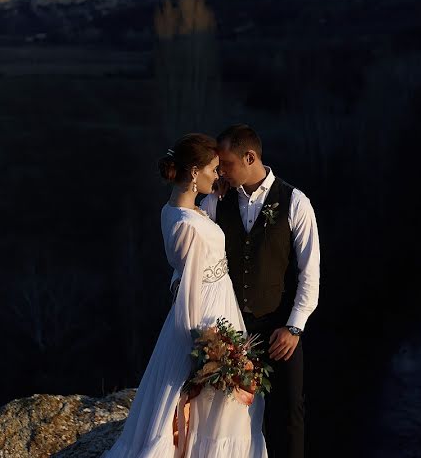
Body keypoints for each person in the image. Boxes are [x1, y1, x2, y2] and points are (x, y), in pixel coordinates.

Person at [103, 133, 268, 458]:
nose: (218, 175)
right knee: (217, 395)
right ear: (194, 172)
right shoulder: (186, 224)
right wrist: (206, 344)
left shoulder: (177, 212)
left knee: (230, 399)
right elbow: (188, 282)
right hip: (206, 314)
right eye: (212, 169)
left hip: (219, 303)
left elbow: (185, 267)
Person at [171, 124, 320, 458]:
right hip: (229, 330)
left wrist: (294, 326)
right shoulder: (215, 201)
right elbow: (192, 256)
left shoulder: (296, 202)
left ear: (250, 157)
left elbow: (310, 274)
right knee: (227, 413)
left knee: (290, 410)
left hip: (279, 327)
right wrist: (179, 287)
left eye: (227, 164)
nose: (221, 170)